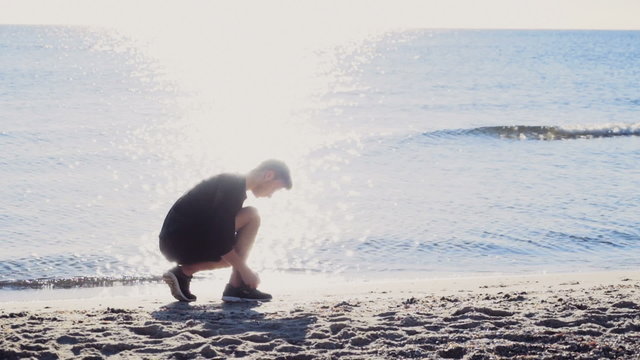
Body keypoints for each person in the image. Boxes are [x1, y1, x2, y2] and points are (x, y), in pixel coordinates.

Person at [159, 159, 292, 302]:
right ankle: (236, 288)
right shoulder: (232, 186)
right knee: (252, 216)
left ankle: (184, 273)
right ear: (269, 175)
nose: (271, 195)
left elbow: (220, 234)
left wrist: (240, 265)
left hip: (175, 241)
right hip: (180, 240)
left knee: (233, 256)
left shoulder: (234, 185)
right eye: (275, 188)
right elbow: (219, 237)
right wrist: (245, 271)